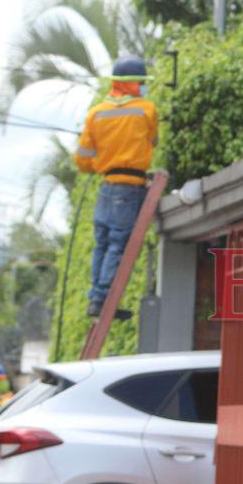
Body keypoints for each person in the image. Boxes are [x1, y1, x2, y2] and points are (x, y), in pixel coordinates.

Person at [73, 57, 157, 321]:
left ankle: (95, 298)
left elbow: (82, 159)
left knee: (102, 242)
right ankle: (101, 299)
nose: (143, 86)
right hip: (130, 186)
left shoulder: (96, 113)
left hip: (106, 185)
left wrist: (100, 164)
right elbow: (153, 141)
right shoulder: (146, 109)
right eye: (141, 82)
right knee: (118, 243)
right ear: (131, 84)